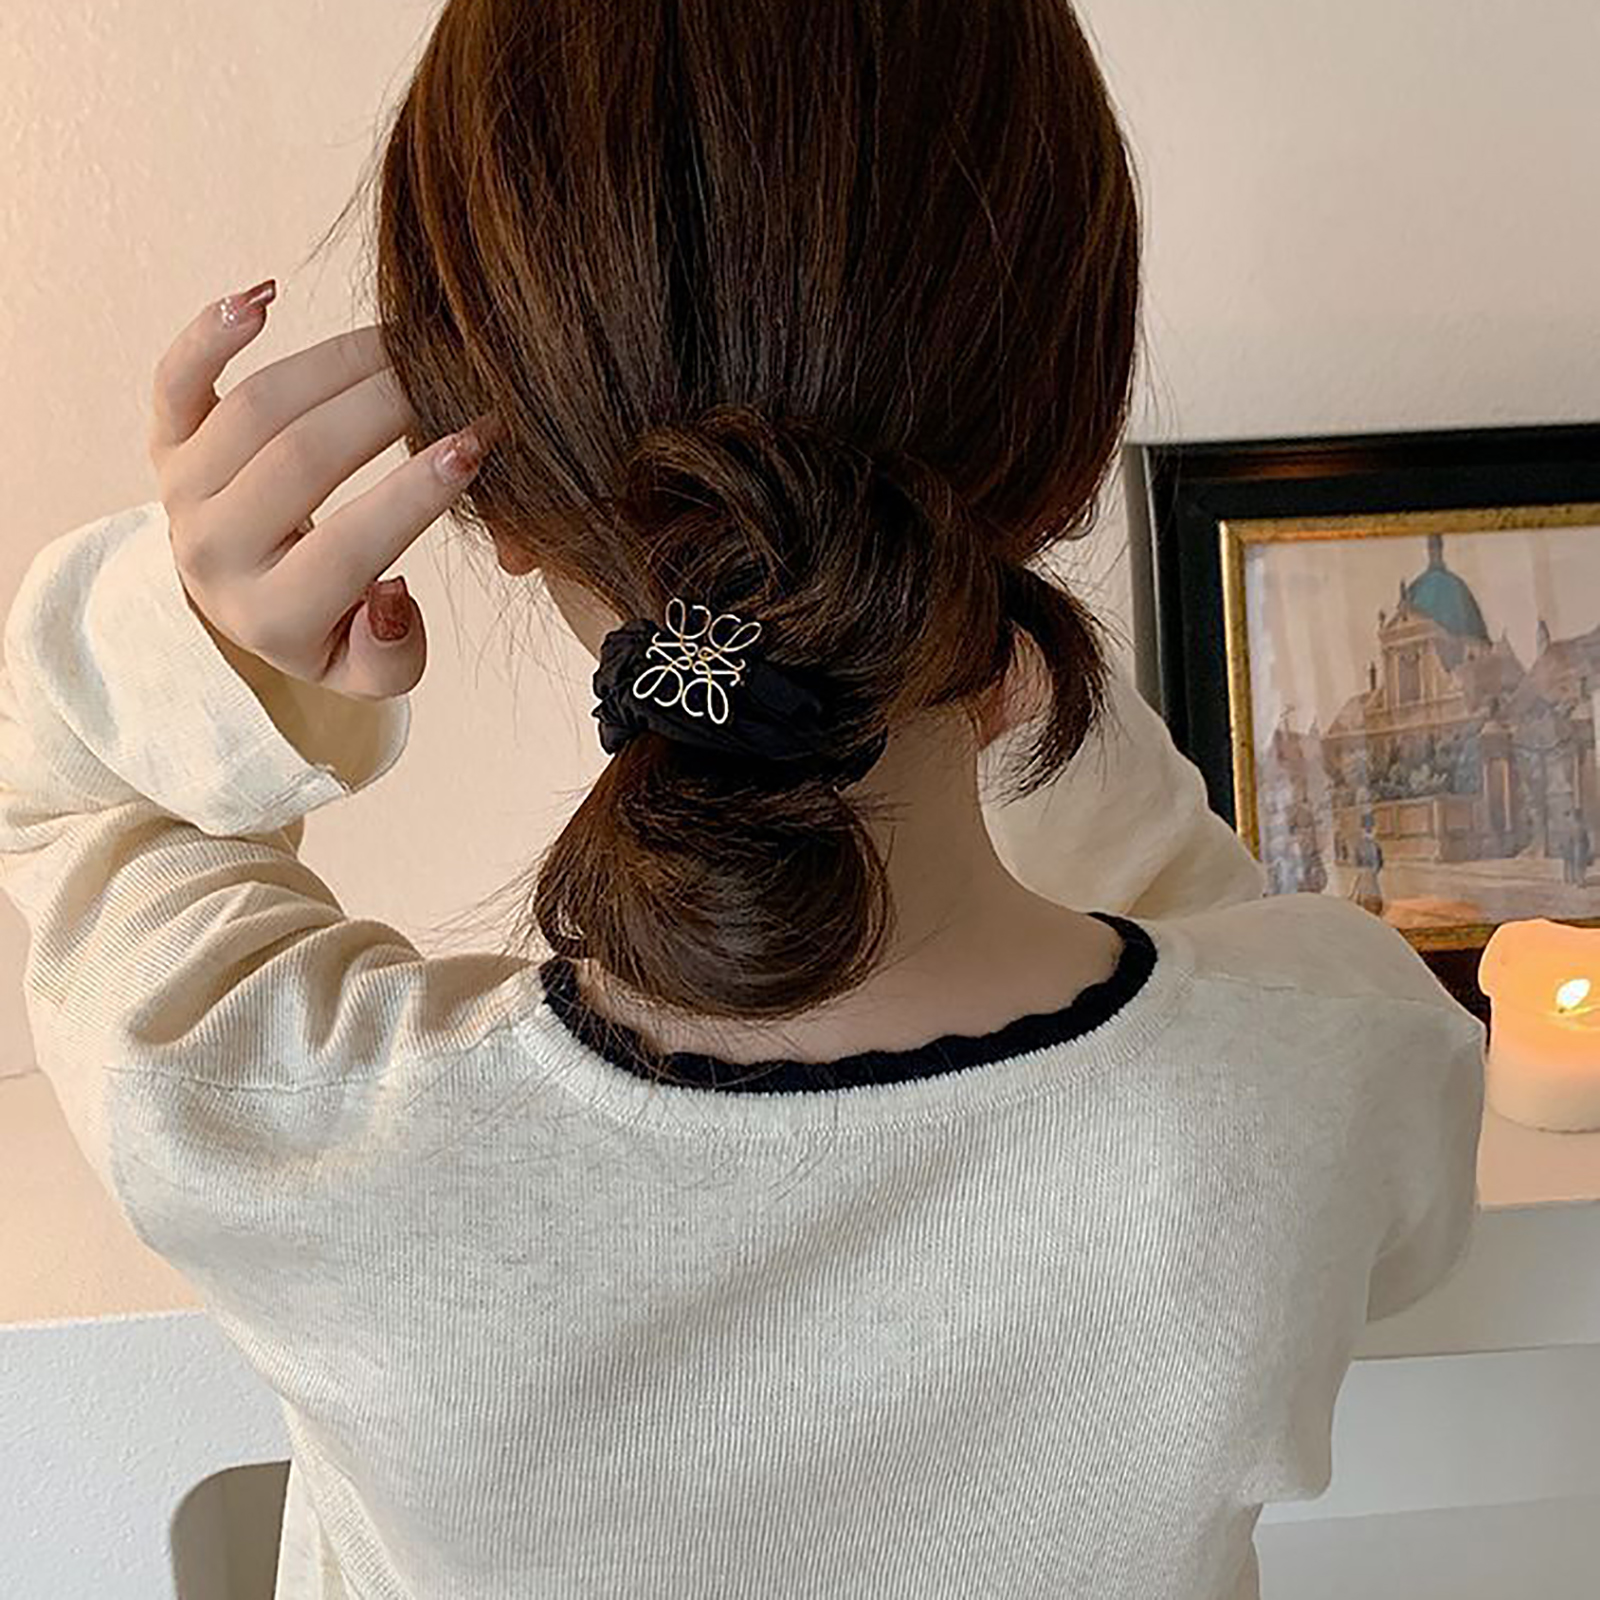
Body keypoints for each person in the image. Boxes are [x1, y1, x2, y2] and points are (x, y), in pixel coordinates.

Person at [0, 3, 1482, 1597]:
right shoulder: (1335, 1068)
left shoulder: (277, 1118)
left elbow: (69, 803)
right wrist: (956, 648)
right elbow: (1196, 939)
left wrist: (201, 637)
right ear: (1066, 453)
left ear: (488, 489)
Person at [1351, 816, 1386, 916]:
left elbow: (1380, 861)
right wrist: (1364, 870)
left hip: (1370, 874)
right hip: (1366, 873)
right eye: (1366, 828)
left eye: (1370, 828)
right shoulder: (1360, 845)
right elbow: (1357, 861)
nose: (1368, 830)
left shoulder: (1375, 845)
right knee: (1364, 895)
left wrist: (1374, 871)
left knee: (1372, 894)